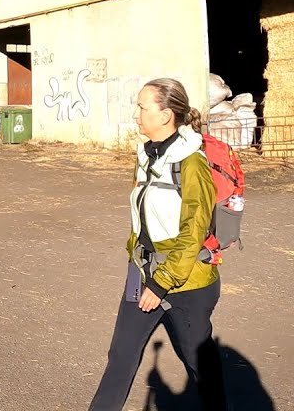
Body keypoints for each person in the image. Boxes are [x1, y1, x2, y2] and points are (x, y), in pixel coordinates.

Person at [89, 78, 227, 410]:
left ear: (165, 115)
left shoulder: (192, 163)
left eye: (142, 107)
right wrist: (137, 259)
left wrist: (161, 282)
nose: (136, 113)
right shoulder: (149, 156)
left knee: (200, 367)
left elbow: (193, 232)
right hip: (143, 274)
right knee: (121, 356)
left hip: (186, 283)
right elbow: (146, 218)